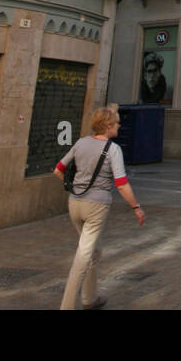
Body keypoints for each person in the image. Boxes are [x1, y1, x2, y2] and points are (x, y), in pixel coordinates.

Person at [53, 105, 144, 310]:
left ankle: (90, 298)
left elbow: (59, 169)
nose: (120, 127)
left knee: (94, 250)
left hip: (75, 203)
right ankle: (67, 306)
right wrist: (136, 207)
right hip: (97, 206)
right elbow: (121, 183)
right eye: (117, 123)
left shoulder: (81, 142)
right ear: (109, 126)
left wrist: (74, 187)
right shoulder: (113, 149)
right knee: (84, 255)